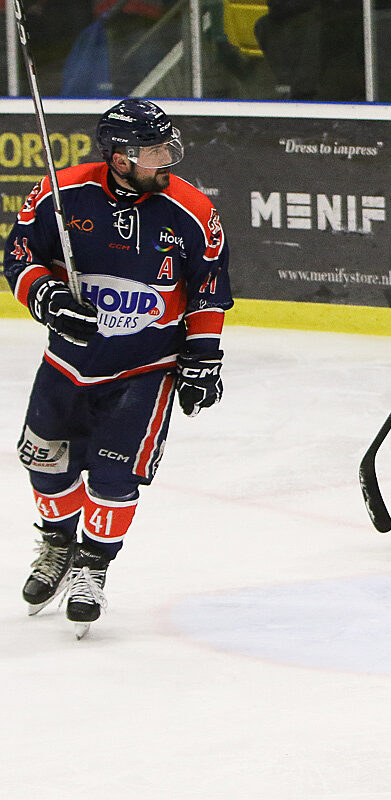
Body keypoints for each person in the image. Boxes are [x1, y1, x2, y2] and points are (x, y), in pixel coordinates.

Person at [5, 98, 232, 636]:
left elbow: (208, 291)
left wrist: (203, 359)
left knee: (114, 476)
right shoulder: (63, 192)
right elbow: (17, 254)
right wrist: (48, 299)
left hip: (145, 369)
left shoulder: (194, 210)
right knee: (47, 465)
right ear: (119, 157)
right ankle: (58, 546)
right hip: (66, 363)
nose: (165, 161)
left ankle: (92, 568)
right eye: (152, 152)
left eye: (166, 149)